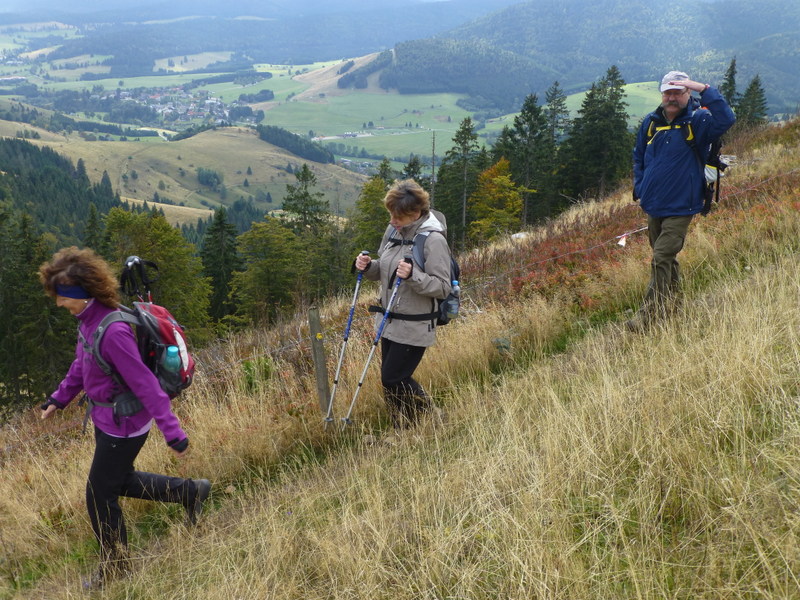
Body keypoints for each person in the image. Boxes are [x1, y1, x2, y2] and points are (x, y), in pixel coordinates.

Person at [38, 246, 211, 590]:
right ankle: (191, 492)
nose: (59, 304)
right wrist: (60, 397)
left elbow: (146, 384)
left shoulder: (113, 331)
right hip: (106, 419)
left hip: (126, 425)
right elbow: (82, 363)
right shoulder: (89, 321)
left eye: (62, 297)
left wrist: (172, 432)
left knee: (99, 493)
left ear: (81, 293)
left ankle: (116, 567)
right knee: (119, 480)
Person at [628, 70, 736, 331]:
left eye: (678, 92)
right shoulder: (651, 122)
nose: (672, 98)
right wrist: (640, 186)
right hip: (653, 203)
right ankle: (674, 304)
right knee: (666, 258)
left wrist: (703, 88)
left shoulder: (698, 121)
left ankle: (648, 316)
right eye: (668, 92)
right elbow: (639, 156)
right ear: (662, 94)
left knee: (661, 256)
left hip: (682, 204)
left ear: (688, 93)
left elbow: (727, 118)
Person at [354, 179, 452, 429]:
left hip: (415, 324)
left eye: (398, 216)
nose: (392, 221)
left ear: (415, 213)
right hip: (389, 321)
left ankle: (431, 417)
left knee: (394, 377)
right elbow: (385, 271)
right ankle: (403, 428)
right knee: (390, 381)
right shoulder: (393, 233)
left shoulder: (433, 240)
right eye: (391, 214)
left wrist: (412, 276)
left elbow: (443, 287)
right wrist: (368, 267)